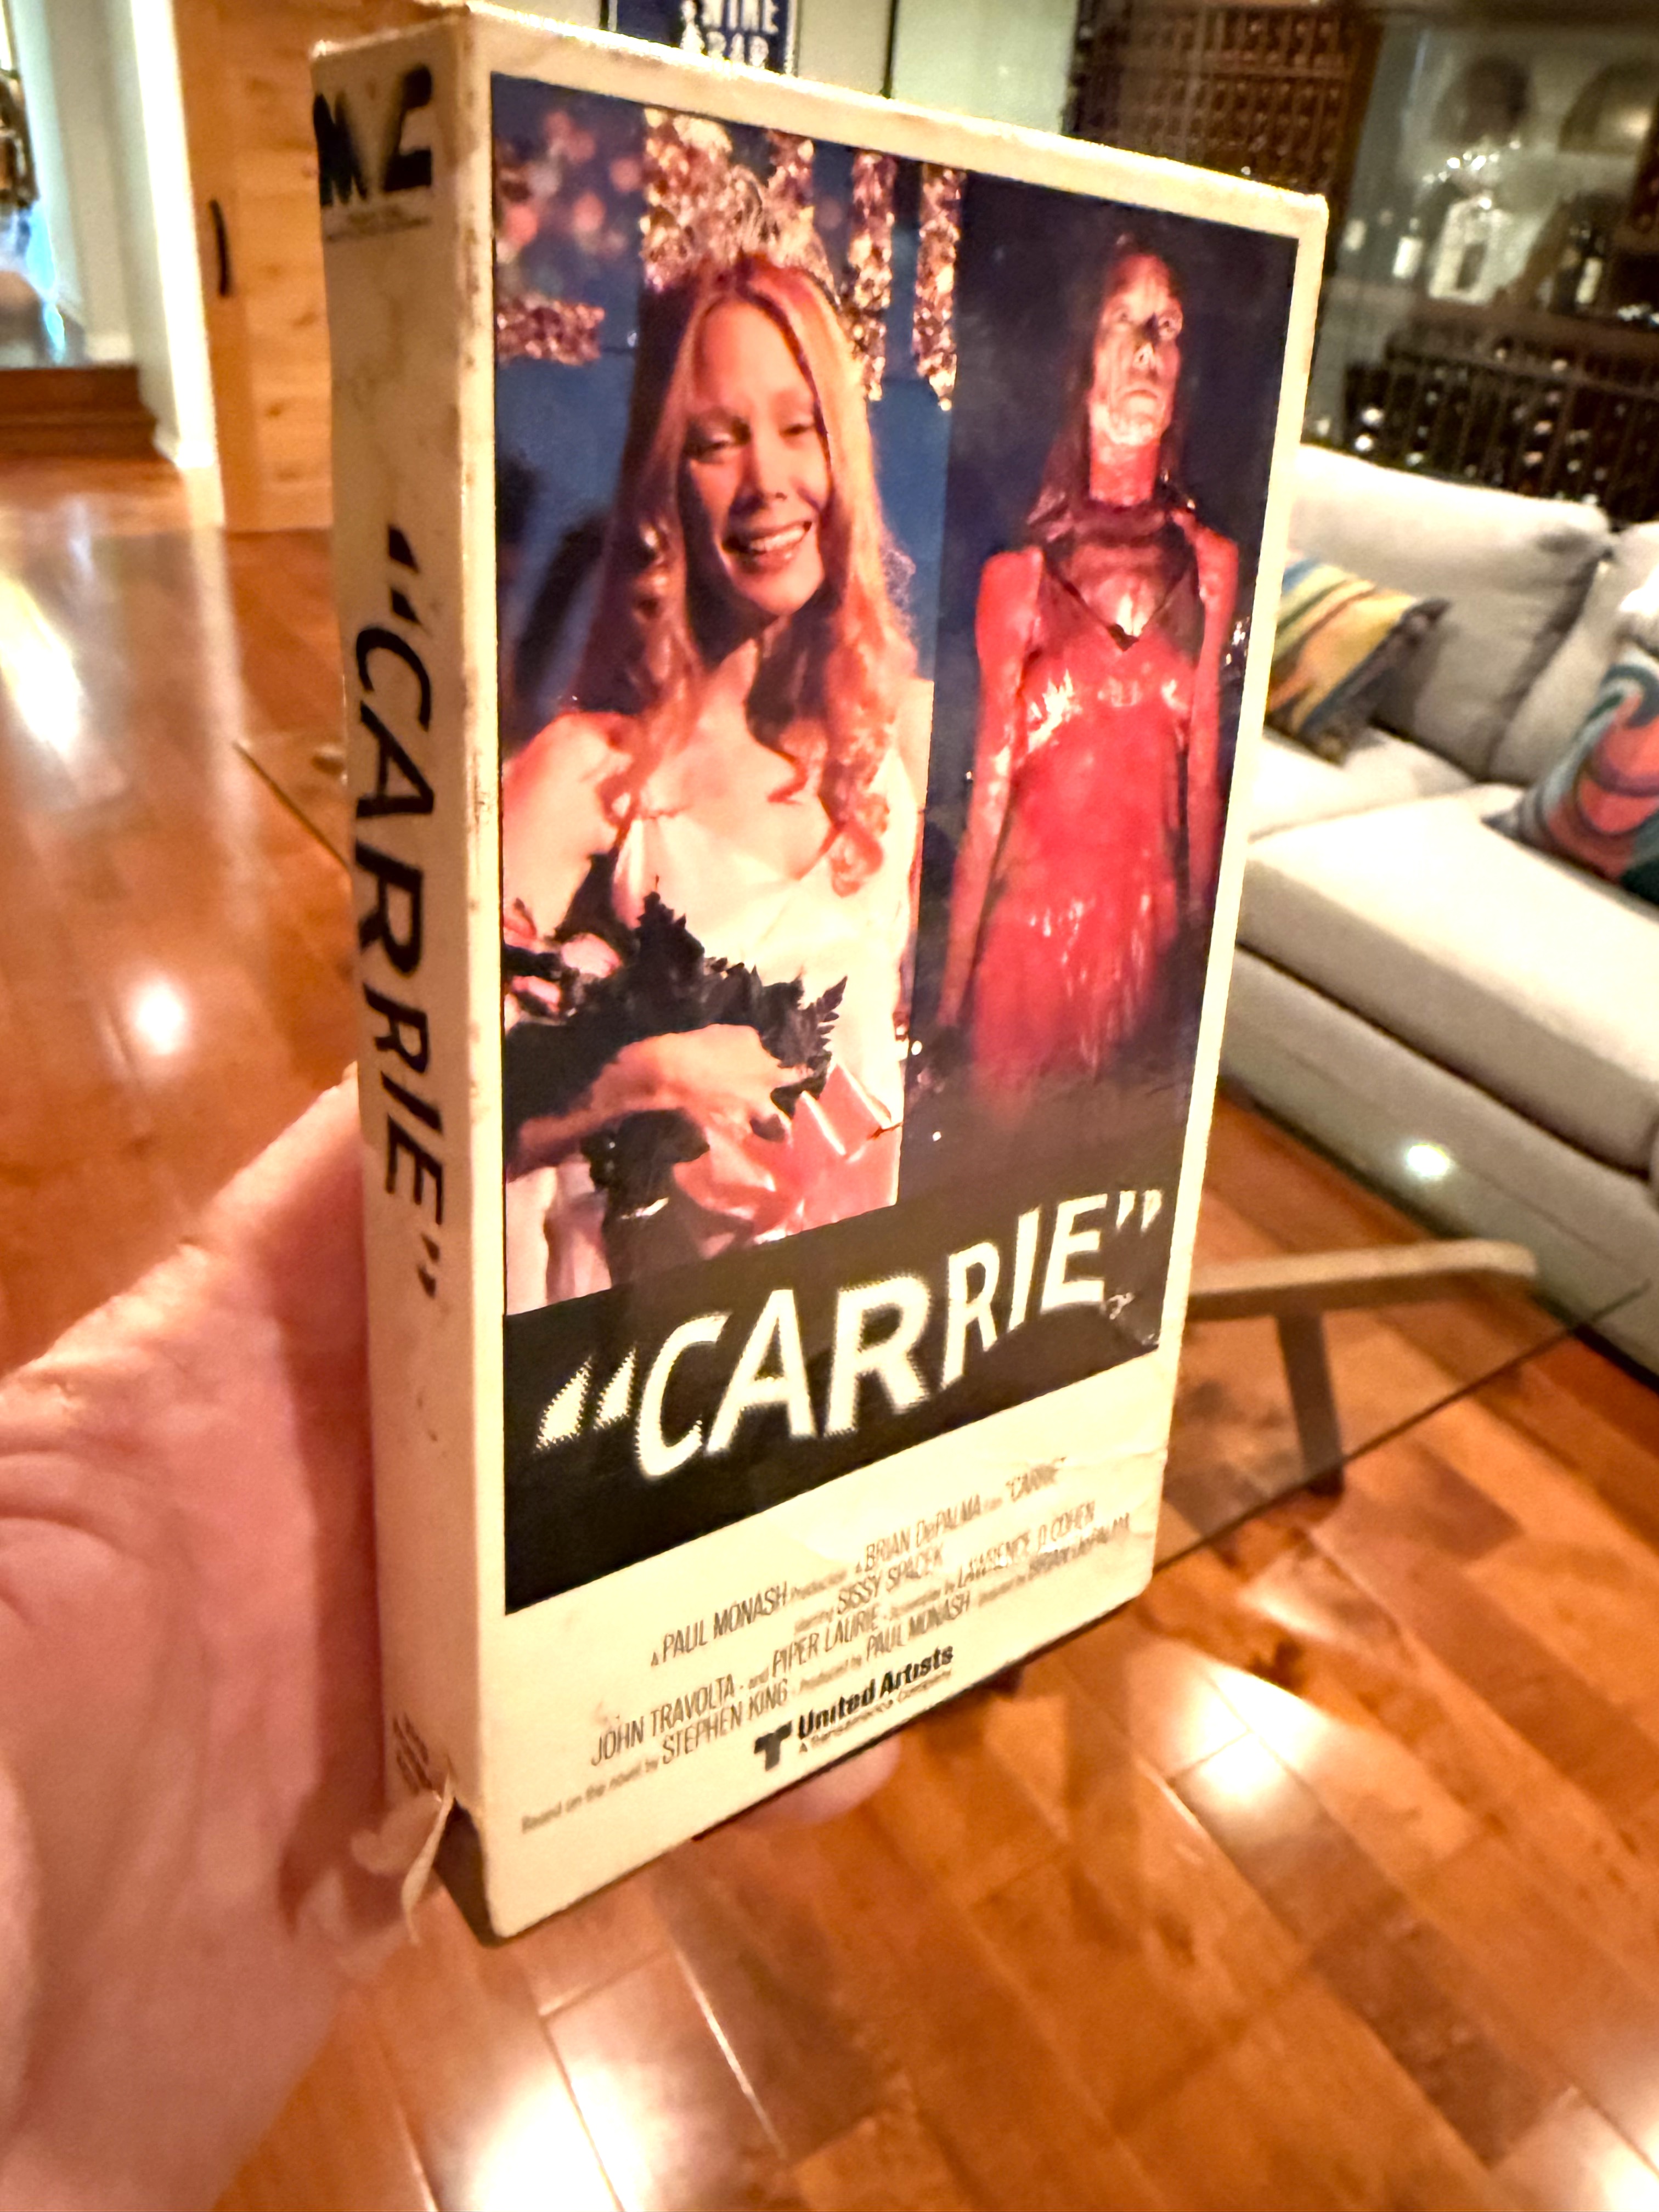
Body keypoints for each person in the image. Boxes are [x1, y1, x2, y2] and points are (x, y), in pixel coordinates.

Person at [502, 252, 929, 1310]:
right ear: (665, 482)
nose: (768, 479)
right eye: (718, 442)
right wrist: (649, 1076)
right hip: (643, 1348)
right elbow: (447, 1114)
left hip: (837, 1321)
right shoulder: (590, 782)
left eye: (798, 427)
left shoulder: (880, 752)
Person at [936, 240, 1238, 1103]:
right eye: (1123, 322)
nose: (1147, 348)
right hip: (1024, 961)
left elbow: (1203, 781)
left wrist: (1194, 964)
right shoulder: (1020, 579)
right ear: (1083, 361)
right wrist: (948, 1011)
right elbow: (986, 802)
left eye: (1166, 326)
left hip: (1146, 960)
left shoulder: (1211, 568)